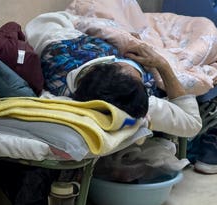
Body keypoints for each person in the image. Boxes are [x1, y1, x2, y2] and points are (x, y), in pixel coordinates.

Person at [25, 11, 202, 138]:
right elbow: (192, 123)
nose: (136, 68)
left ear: (104, 64)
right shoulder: (135, 103)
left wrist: (122, 37)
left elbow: (59, 18)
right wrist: (162, 65)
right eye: (136, 73)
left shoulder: (57, 46)